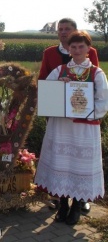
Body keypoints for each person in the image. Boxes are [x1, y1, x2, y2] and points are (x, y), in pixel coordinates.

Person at [34, 30, 108, 225]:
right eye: (73, 47)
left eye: (80, 46)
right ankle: (64, 204)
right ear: (68, 48)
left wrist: (88, 113)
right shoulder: (59, 71)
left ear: (88, 49)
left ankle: (76, 206)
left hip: (84, 128)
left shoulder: (96, 73)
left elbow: (103, 101)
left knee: (78, 165)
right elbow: (46, 93)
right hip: (62, 126)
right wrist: (59, 86)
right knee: (62, 163)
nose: (76, 50)